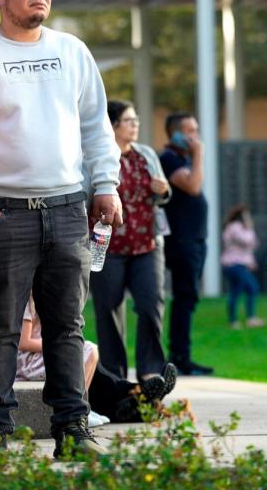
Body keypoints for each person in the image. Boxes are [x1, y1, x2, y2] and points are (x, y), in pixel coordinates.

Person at [0, 0, 121, 463]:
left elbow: (95, 127)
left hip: (68, 209)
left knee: (68, 327)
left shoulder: (72, 51)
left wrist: (105, 186)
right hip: (2, 214)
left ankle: (73, 430)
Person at [89, 100, 171, 383]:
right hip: (106, 246)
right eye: (129, 120)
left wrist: (162, 190)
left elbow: (162, 194)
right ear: (113, 125)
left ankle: (151, 372)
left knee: (150, 303)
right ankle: (115, 377)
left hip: (147, 244)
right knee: (108, 309)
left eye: (136, 120)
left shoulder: (145, 154)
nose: (135, 125)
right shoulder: (95, 157)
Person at [17, 295, 177, 426]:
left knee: (86, 356)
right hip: (29, 362)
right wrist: (62, 344)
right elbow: (24, 342)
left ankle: (139, 401)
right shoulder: (28, 299)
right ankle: (136, 394)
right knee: (83, 353)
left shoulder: (43, 296)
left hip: (40, 355)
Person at [159, 112, 213, 376]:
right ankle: (180, 356)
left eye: (197, 130)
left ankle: (182, 354)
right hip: (182, 241)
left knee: (188, 298)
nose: (195, 137)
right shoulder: (169, 159)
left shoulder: (183, 159)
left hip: (195, 239)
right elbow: (192, 186)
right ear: (175, 133)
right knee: (185, 297)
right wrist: (199, 154)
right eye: (189, 131)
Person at [220, 204, 265, 329]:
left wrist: (251, 262)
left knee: (238, 291)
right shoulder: (235, 227)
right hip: (234, 264)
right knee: (250, 288)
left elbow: (250, 247)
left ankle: (237, 320)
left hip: (237, 264)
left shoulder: (235, 227)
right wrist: (250, 228)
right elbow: (248, 241)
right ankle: (245, 319)